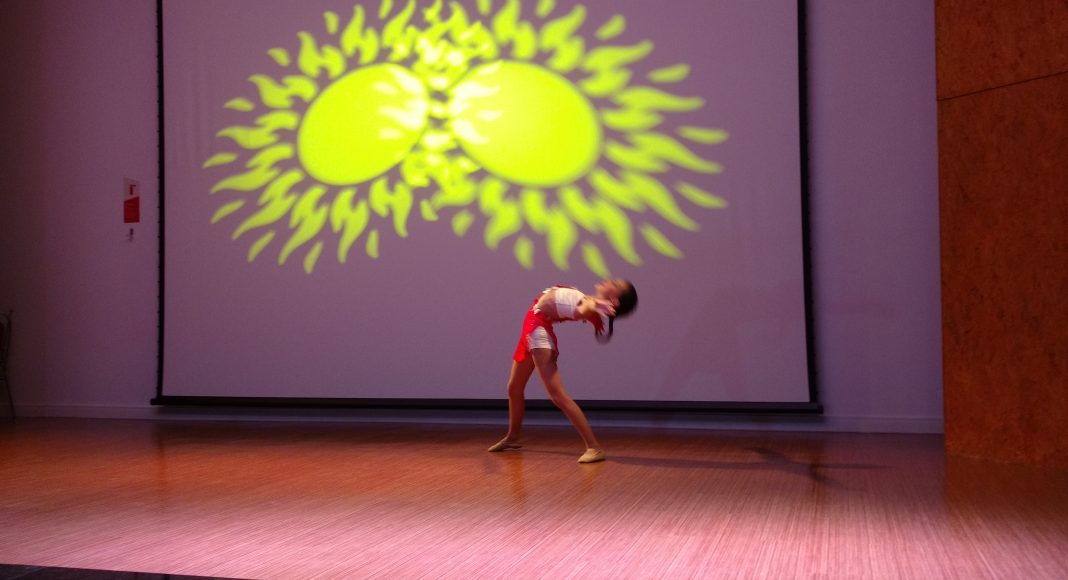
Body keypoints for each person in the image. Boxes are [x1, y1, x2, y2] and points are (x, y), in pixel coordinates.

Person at [487, 278, 638, 463]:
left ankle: (594, 447)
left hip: (538, 335)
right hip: (531, 331)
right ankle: (513, 437)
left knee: (558, 396)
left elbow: (583, 310)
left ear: (614, 300)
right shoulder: (587, 299)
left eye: (614, 284)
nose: (608, 280)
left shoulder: (587, 304)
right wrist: (595, 304)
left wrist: (595, 304)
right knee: (514, 387)